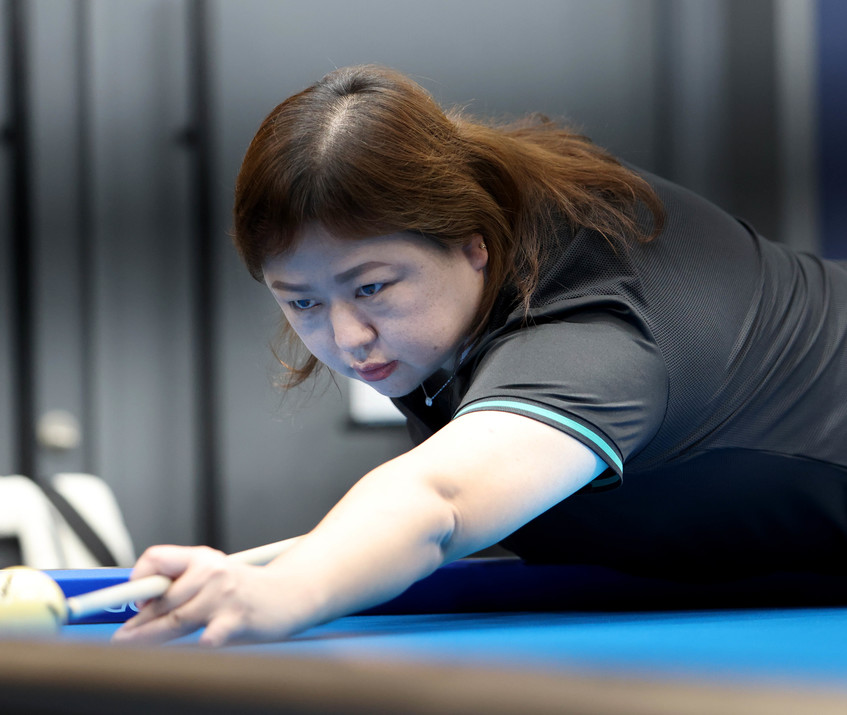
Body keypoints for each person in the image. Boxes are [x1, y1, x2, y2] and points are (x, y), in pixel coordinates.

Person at [113, 65, 847, 647]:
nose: (347, 337)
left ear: (472, 245)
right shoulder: (476, 229)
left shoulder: (596, 327)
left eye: (370, 287)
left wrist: (285, 589)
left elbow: (442, 499)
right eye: (301, 302)